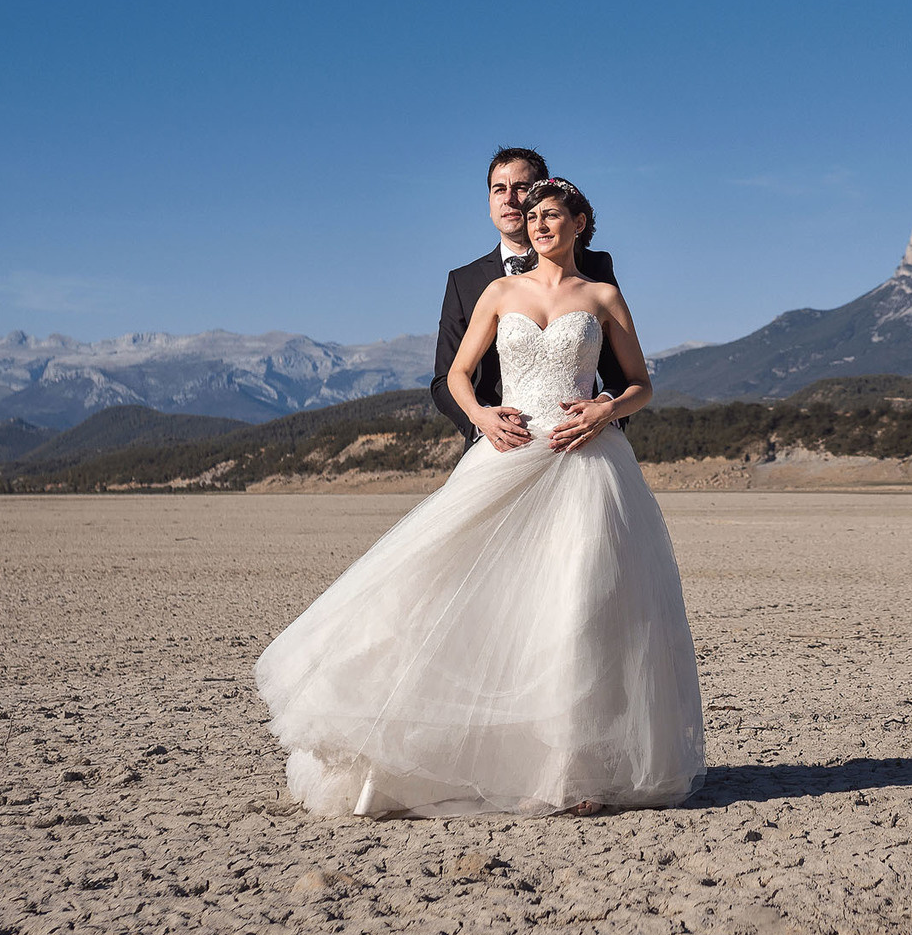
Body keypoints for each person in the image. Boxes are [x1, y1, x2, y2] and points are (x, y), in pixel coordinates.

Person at [255, 178, 703, 818]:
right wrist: (484, 418)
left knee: (579, 606)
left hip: (584, 462)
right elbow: (458, 375)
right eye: (533, 215)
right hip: (508, 455)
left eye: (552, 215)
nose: (540, 224)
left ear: (580, 223)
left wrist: (606, 408)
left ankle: (575, 772)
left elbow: (641, 385)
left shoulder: (602, 295)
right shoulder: (499, 292)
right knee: (449, 583)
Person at [431, 146, 630, 448]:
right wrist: (483, 422)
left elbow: (623, 374)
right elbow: (445, 378)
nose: (509, 199)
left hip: (581, 444)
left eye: (520, 188)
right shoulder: (463, 281)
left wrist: (603, 411)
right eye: (499, 189)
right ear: (488, 201)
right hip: (497, 449)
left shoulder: (595, 269)